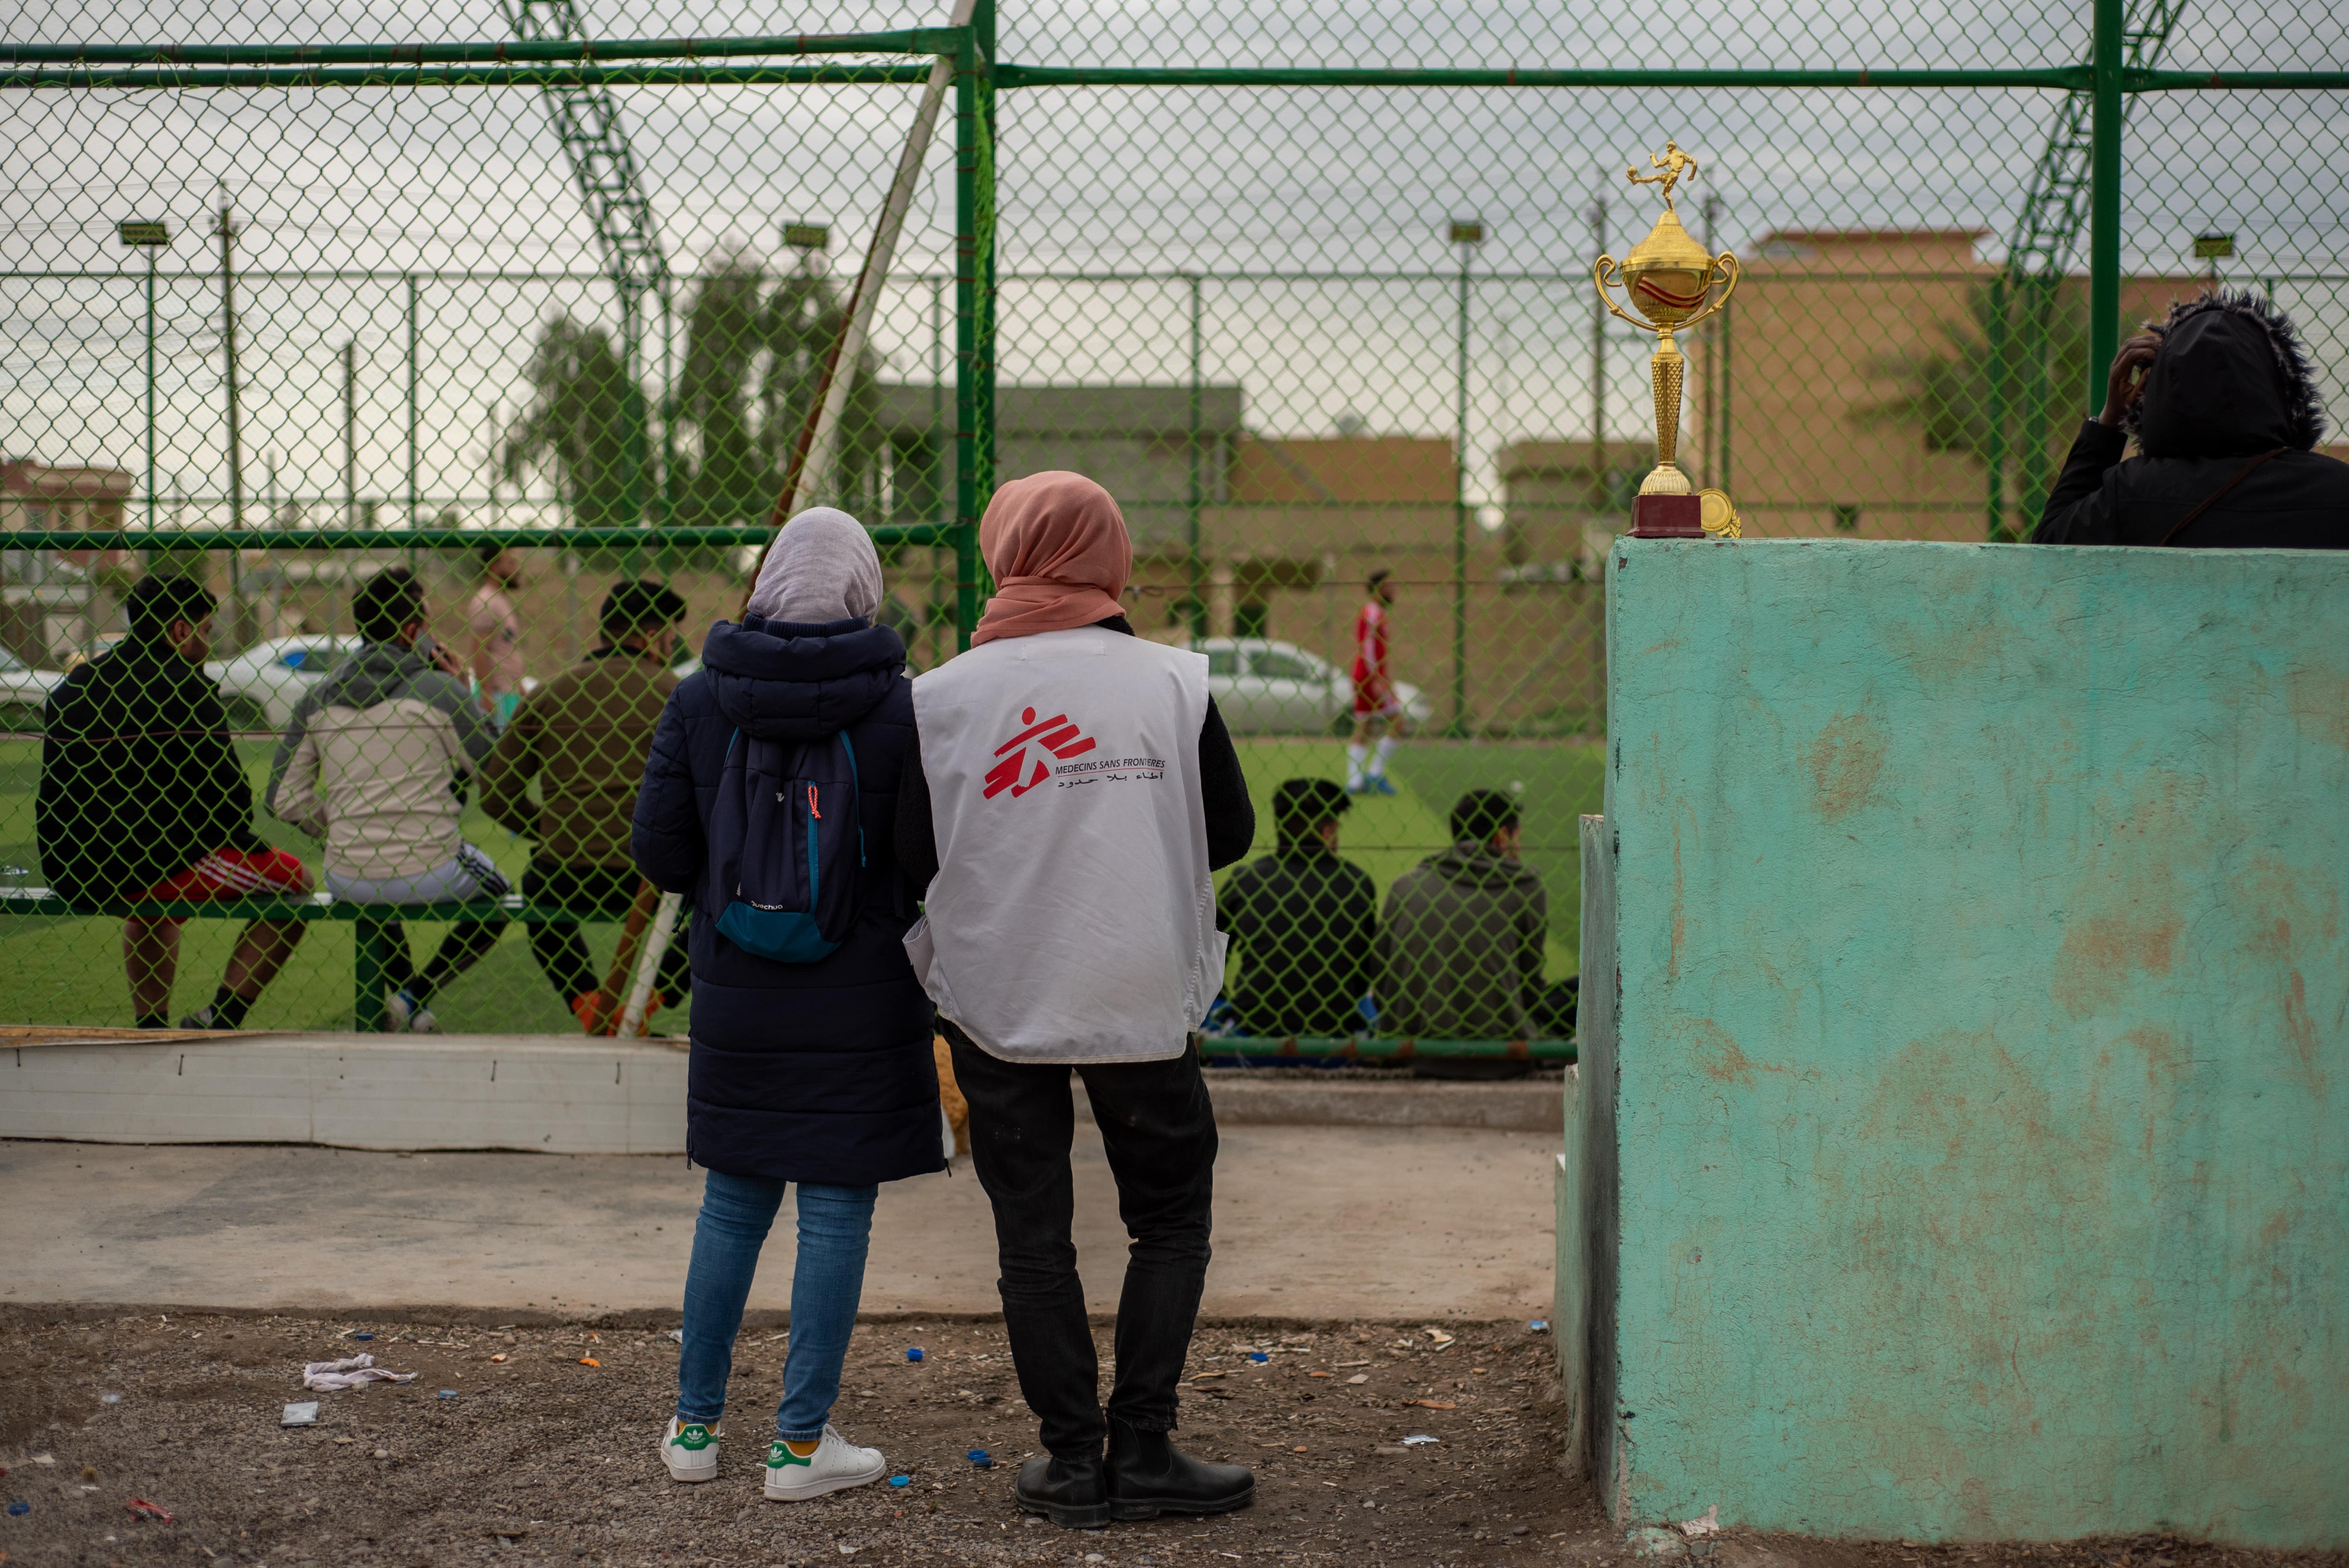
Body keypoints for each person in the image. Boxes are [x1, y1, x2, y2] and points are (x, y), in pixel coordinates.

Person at [896, 470, 1258, 1530]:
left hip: (995, 990)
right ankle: (1142, 1446)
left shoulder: (940, 695)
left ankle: (1067, 1459)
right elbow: (1227, 831)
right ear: (1110, 555)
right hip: (1137, 978)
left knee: (1031, 1234)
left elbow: (912, 852)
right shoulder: (1171, 682)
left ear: (1001, 551)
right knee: (1169, 1219)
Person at [631, 507, 940, 1504]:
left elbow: (662, 852)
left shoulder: (700, 699)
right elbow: (928, 855)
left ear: (767, 581)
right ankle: (800, 1448)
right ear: (862, 584)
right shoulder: (901, 706)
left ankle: (693, 1428)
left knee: (733, 1203)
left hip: (739, 991)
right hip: (862, 995)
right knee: (836, 1211)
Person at [37, 573, 311, 1030]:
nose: (208, 640)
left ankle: (151, 1025)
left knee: (158, 882)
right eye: (205, 630)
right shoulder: (186, 686)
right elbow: (233, 803)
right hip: (147, 867)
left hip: (71, 868)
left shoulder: (76, 684)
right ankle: (221, 1016)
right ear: (181, 631)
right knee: (294, 880)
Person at [266, 568, 507, 1033]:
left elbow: (284, 799)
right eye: (428, 625)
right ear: (412, 632)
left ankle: (412, 1013)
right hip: (430, 869)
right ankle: (415, 995)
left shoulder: (318, 697)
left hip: (346, 876)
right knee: (496, 896)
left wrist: (336, 827)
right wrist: (465, 693)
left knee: (375, 879)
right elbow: (495, 772)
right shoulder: (440, 690)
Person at [481, 580, 690, 1032]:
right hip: (654, 879)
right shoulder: (682, 696)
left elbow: (496, 795)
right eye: (670, 636)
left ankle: (592, 1006)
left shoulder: (548, 695)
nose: (672, 646)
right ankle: (641, 1008)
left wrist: (551, 827)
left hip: (566, 873)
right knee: (716, 903)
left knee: (535, 885)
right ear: (651, 637)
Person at [2034, 291, 2349, 548]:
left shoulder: (2128, 494)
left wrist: (2110, 420)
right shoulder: (2338, 491)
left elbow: (2049, 549)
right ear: (2283, 386)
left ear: (2158, 394)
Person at [1380, 788, 1547, 1080]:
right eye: (1518, 839)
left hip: (1412, 1054)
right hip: (1503, 1057)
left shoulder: (1405, 887)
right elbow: (1530, 987)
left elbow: (1381, 975)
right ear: (1503, 836)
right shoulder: (1525, 887)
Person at [1220, 777, 1378, 1039]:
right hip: (1336, 1037)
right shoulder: (1357, 882)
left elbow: (1207, 961)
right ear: (1328, 832)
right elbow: (1363, 977)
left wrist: (1224, 1004)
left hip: (1253, 1032)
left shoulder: (1247, 879)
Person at [1347, 567, 1405, 795]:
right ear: (1379, 589)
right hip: (1370, 678)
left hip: (1364, 676)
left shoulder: (1376, 612)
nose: (1394, 591)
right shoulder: (1372, 613)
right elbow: (1368, 647)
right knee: (1398, 722)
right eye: (1390, 586)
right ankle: (1374, 774)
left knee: (1364, 726)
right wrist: (1378, 678)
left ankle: (1354, 782)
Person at [466, 543, 529, 726]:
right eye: (511, 563)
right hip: (498, 695)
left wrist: (520, 687)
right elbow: (479, 651)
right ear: (493, 567)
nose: (517, 568)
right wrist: (487, 697)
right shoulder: (487, 601)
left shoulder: (500, 600)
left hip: (509, 692)